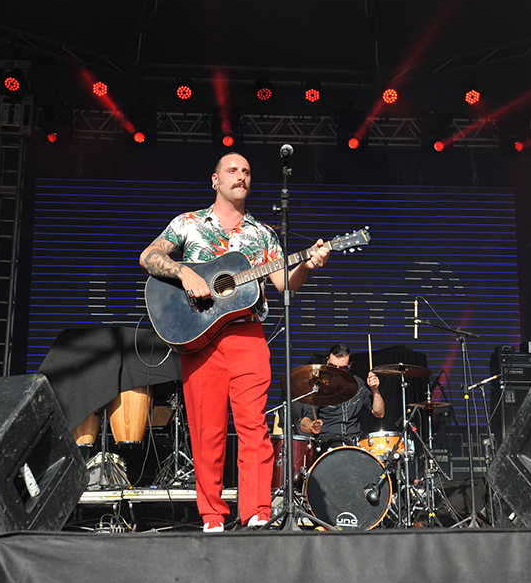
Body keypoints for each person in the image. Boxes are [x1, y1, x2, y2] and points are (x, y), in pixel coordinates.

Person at [140, 152, 330, 533]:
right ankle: (212, 516)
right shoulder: (189, 223)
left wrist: (307, 264)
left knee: (254, 426)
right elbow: (149, 256)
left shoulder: (262, 233)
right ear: (215, 180)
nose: (240, 176)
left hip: (247, 334)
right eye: (232, 170)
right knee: (206, 430)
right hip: (200, 338)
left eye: (246, 171)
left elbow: (284, 284)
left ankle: (257, 511)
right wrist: (184, 273)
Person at [293, 344, 385, 444]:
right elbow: (304, 422)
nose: (336, 372)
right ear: (327, 361)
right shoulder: (318, 386)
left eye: (342, 368)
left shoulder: (357, 384)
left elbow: (379, 413)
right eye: (332, 366)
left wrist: (375, 390)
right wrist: (311, 426)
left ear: (349, 366)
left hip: (354, 441)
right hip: (328, 442)